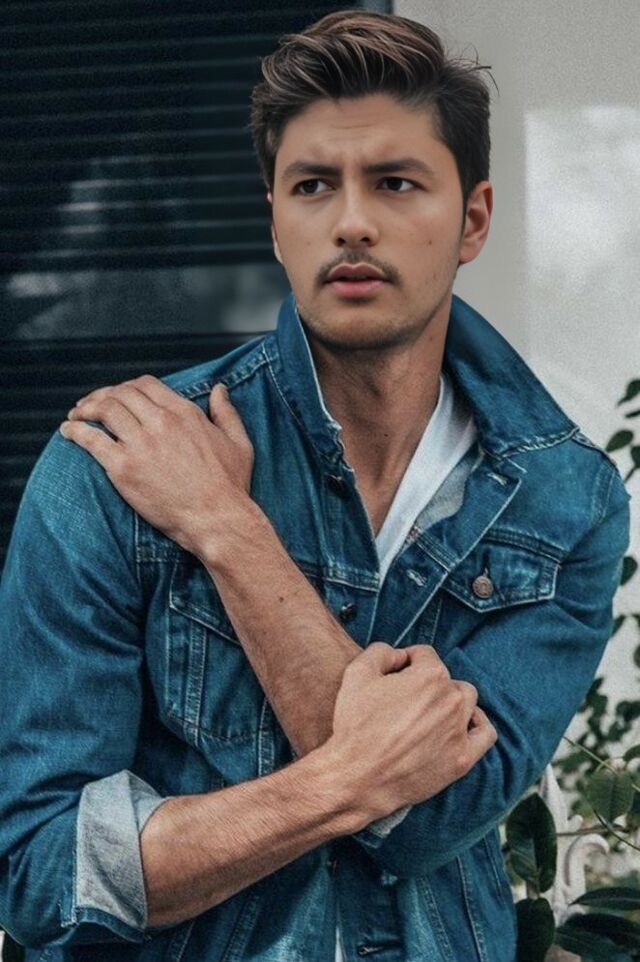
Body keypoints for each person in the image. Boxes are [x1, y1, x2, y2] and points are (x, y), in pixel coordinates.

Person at [0, 10, 630, 962]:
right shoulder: (118, 462)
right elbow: (44, 873)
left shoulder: (565, 501)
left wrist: (227, 529)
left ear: (473, 220)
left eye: (395, 183)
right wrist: (341, 785)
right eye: (312, 186)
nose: (352, 222)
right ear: (275, 221)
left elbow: (433, 819)